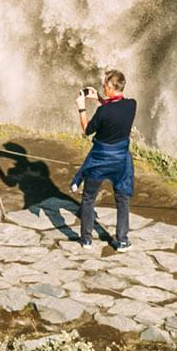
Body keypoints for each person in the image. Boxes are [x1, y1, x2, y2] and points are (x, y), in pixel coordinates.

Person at [70, 69, 136, 249]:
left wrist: (81, 107)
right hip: (121, 162)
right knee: (122, 199)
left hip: (100, 161)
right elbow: (114, 110)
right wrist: (99, 98)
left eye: (104, 85)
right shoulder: (132, 105)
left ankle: (86, 239)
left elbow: (87, 131)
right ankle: (122, 240)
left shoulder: (103, 112)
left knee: (89, 198)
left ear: (109, 87)